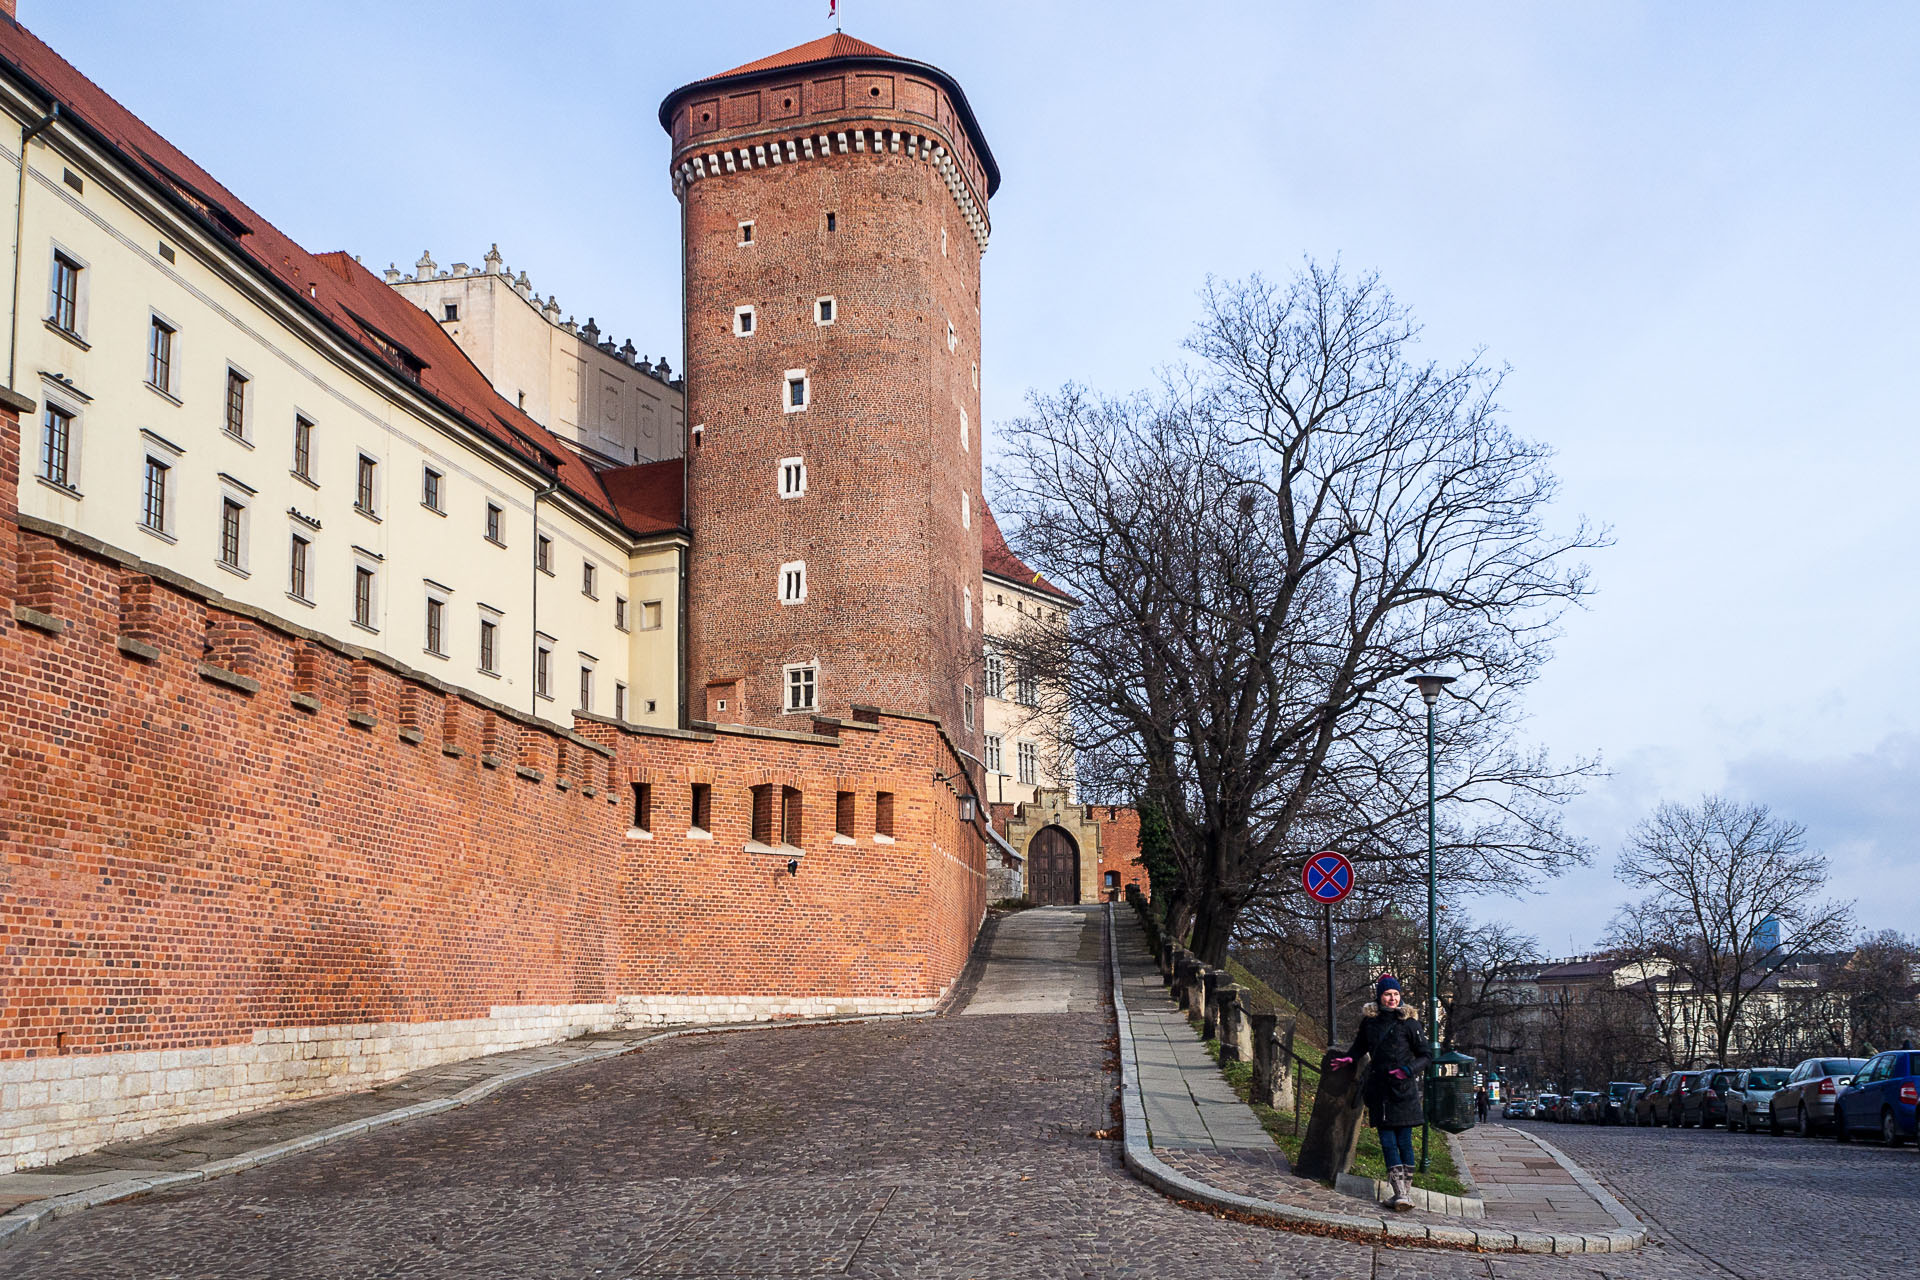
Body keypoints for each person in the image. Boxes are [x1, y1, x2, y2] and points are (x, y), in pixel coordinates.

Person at [1327, 974, 1432, 1212]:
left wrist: (1408, 1070)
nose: (1392, 998)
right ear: (1379, 996)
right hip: (1379, 1090)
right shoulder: (1370, 1022)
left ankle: (1404, 1193)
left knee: (1404, 1140)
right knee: (1387, 1142)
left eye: (1395, 994)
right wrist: (1349, 1058)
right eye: (1388, 994)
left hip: (1403, 1090)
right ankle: (1399, 1193)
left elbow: (1426, 1055)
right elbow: (1360, 1046)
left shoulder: (1410, 1024)